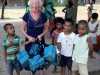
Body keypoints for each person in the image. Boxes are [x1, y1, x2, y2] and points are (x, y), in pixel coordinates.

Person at [21, 0, 49, 75]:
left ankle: (41, 71)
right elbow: (22, 29)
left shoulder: (43, 16)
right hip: (29, 41)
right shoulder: (26, 15)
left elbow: (46, 28)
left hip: (40, 40)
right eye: (32, 7)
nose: (34, 9)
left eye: (37, 7)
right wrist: (28, 37)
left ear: (40, 7)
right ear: (30, 7)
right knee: (31, 56)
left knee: (40, 56)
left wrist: (41, 35)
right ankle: (32, 72)